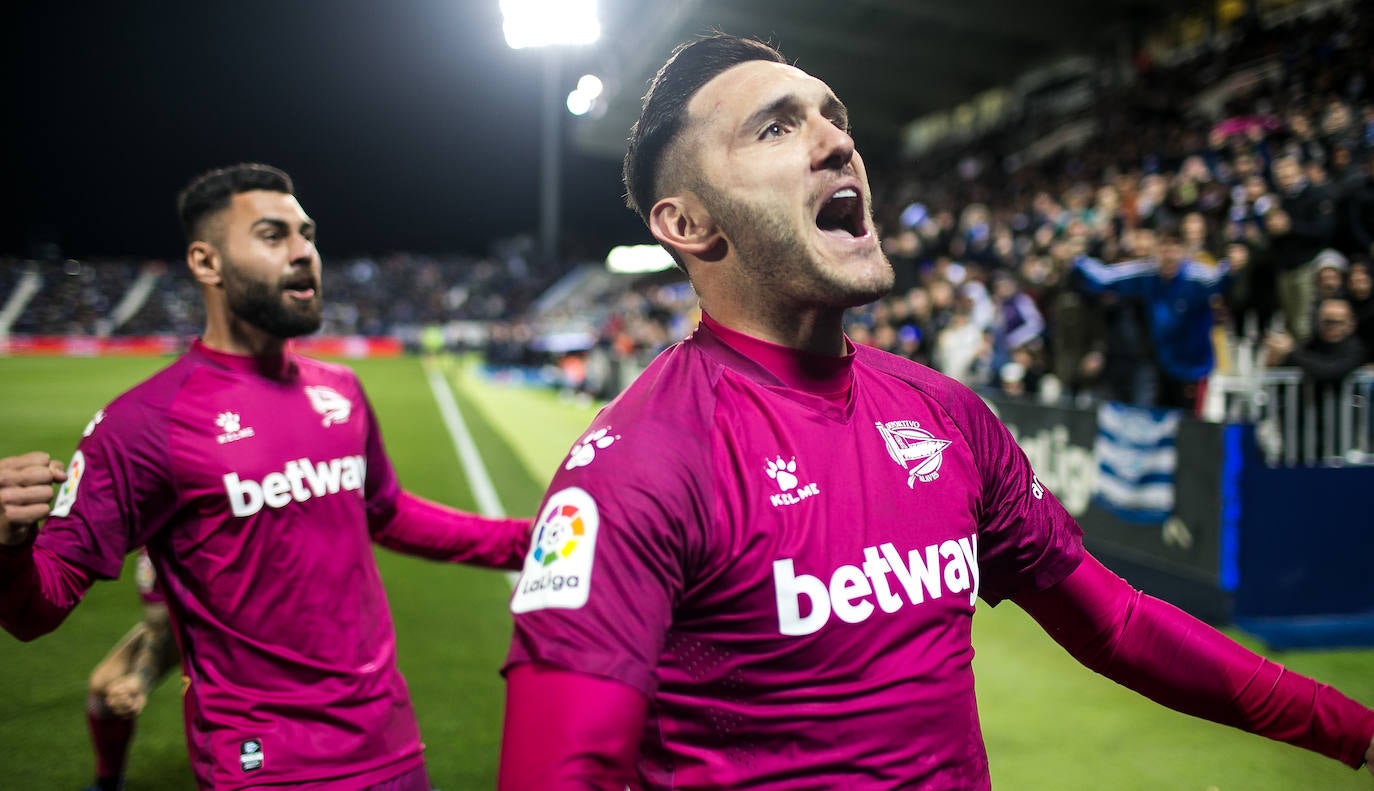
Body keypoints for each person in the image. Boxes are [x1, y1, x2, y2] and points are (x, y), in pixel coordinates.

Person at [497, 34, 1374, 790]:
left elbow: (1116, 624)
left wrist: (1353, 728)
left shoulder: (945, 413)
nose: (838, 141)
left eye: (833, 115)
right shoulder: (635, 467)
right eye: (776, 127)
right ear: (688, 223)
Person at [0, 164, 532, 790]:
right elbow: (36, 608)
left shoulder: (341, 391)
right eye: (273, 235)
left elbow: (387, 513)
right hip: (264, 768)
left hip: (389, 745)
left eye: (307, 234)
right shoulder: (141, 425)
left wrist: (533, 540)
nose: (304, 252)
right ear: (207, 262)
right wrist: (8, 546)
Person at [1073, 227, 1237, 414]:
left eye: (1175, 247)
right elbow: (1106, 279)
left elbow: (1220, 281)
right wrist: (1079, 259)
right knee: (1157, 421)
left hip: (1193, 369)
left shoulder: (1198, 279)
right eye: (1164, 247)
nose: (1169, 254)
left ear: (1184, 251)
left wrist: (1232, 267)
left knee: (1189, 424)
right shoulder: (1148, 275)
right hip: (1161, 366)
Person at [83, 550, 180, 791]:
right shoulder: (155, 548)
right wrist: (139, 679)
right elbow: (158, 625)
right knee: (106, 686)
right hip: (184, 626)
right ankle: (109, 783)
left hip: (243, 629)